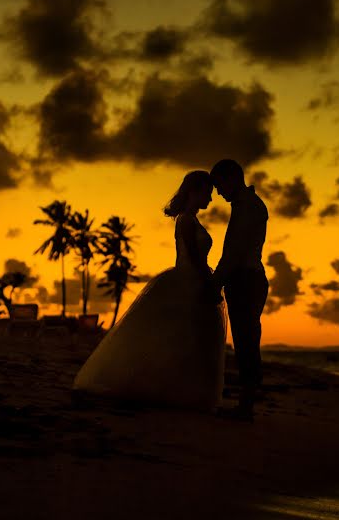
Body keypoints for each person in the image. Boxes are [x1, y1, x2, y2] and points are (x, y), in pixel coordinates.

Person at [73, 171, 227, 412]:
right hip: (190, 282)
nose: (210, 199)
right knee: (187, 338)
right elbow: (194, 259)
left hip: (194, 280)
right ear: (194, 192)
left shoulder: (191, 220)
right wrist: (209, 282)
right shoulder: (186, 220)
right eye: (207, 193)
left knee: (190, 340)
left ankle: (186, 391)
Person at [210, 159, 268, 421]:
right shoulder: (248, 204)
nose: (218, 193)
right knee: (246, 339)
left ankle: (246, 406)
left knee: (246, 340)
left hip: (245, 278)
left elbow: (234, 251)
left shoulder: (246, 206)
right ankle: (247, 402)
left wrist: (216, 281)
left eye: (219, 185)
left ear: (231, 178)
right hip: (247, 278)